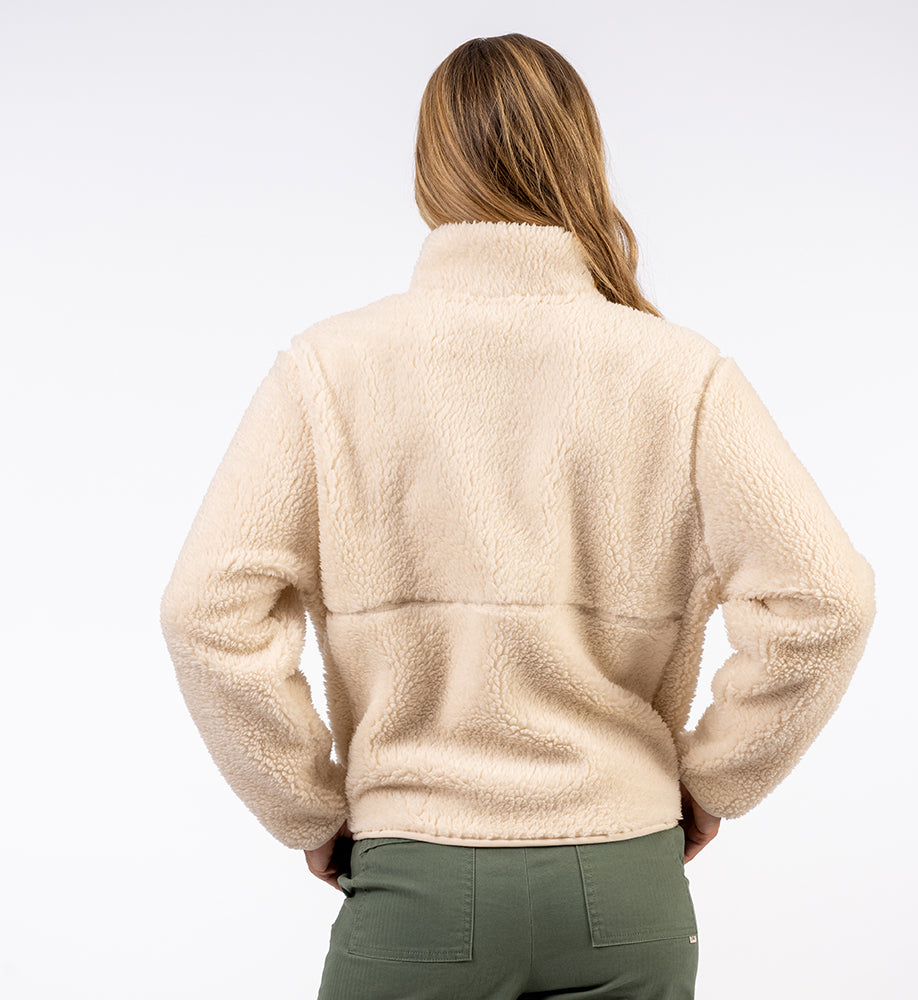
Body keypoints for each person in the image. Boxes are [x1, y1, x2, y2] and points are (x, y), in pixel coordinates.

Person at [160, 32, 876, 1000]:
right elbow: (826, 599)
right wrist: (716, 779)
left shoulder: (330, 369)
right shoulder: (678, 372)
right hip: (624, 884)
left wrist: (305, 805)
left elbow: (205, 610)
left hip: (416, 876)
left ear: (429, 166)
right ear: (583, 156)